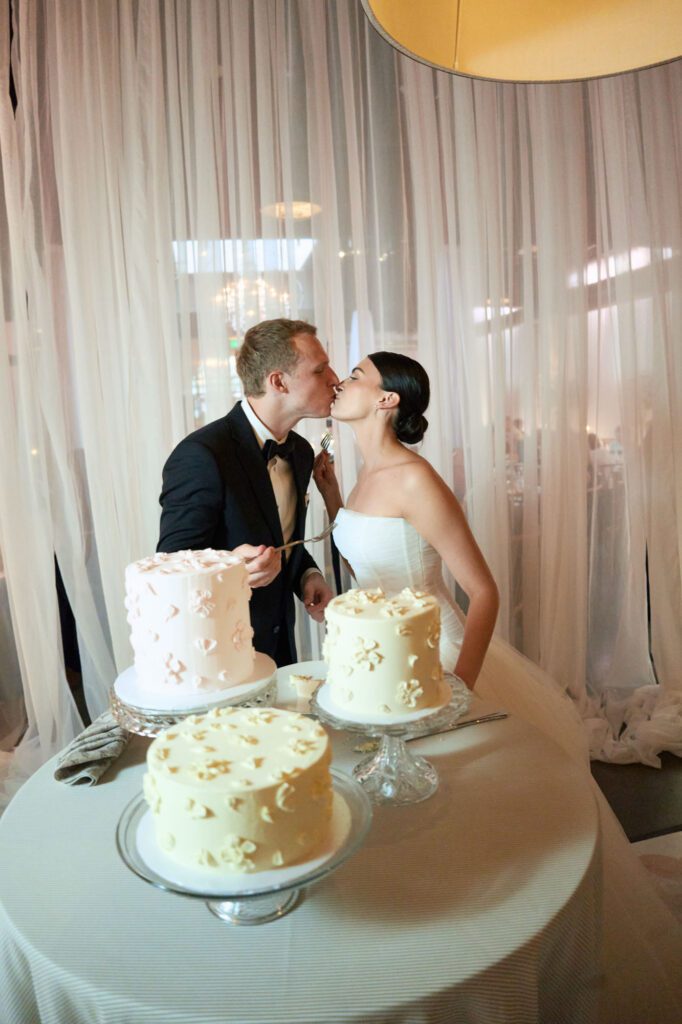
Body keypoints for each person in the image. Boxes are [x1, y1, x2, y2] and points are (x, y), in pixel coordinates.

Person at [313, 350, 682, 1023]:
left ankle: (497, 955)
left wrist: (459, 689)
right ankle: (427, 937)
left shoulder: (416, 479)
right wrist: (333, 494)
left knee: (468, 803)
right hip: (378, 659)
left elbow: (482, 591)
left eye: (357, 376)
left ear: (389, 400)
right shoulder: (363, 473)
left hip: (441, 659)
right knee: (404, 804)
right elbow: (368, 554)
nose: (341, 382)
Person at [158, 318, 337, 666]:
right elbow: (170, 565)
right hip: (217, 652)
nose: (334, 379)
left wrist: (307, 575)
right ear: (278, 382)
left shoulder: (300, 453)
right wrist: (229, 566)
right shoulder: (201, 455)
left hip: (281, 647)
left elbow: (280, 535)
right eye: (320, 370)